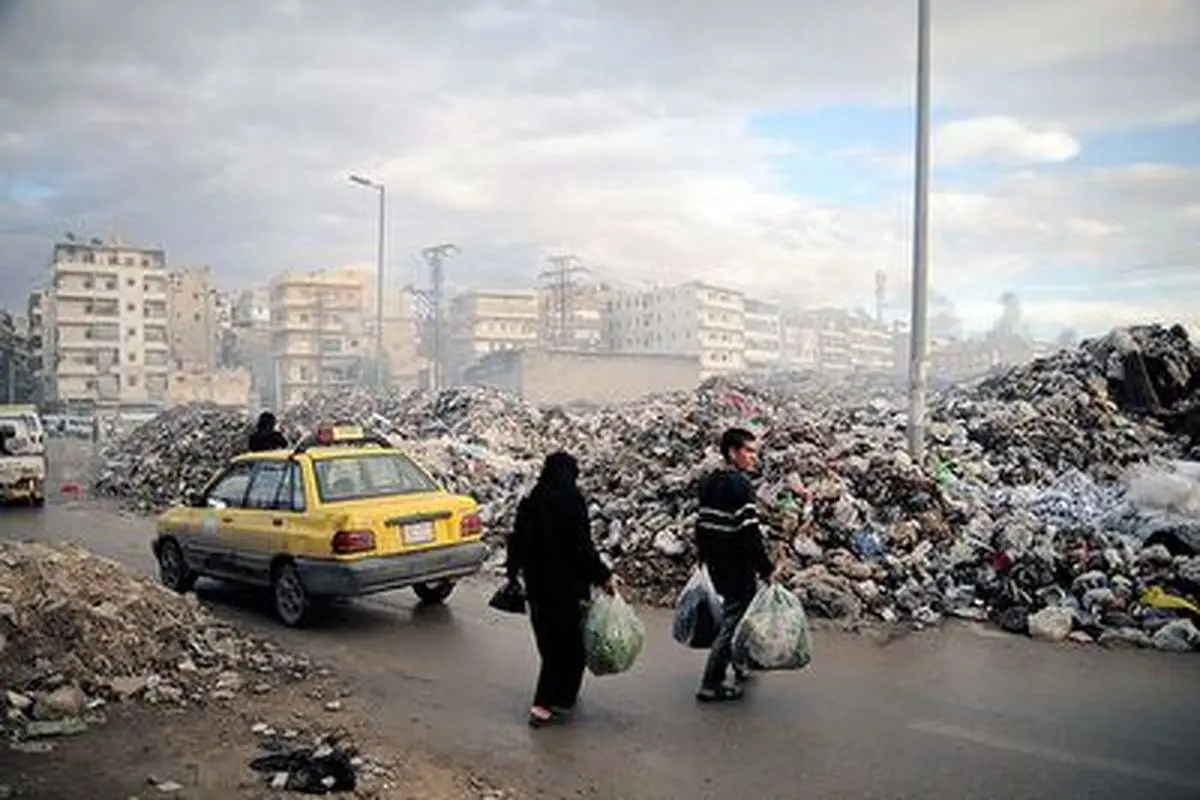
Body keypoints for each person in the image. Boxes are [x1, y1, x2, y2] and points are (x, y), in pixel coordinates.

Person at [505, 451, 615, 727]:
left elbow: (516, 540)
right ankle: (543, 705)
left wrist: (513, 572)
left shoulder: (532, 500)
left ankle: (564, 697)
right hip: (567, 587)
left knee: (551, 643)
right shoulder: (571, 501)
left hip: (538, 586)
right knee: (566, 647)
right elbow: (581, 548)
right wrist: (603, 575)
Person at [694, 427, 775, 703]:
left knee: (738, 615)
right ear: (732, 452)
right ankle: (711, 682)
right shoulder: (740, 486)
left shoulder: (708, 482)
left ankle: (740, 664)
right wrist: (766, 568)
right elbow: (749, 533)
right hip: (736, 565)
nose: (754, 458)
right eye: (749, 451)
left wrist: (703, 558)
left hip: (717, 564)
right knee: (733, 621)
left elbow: (701, 526)